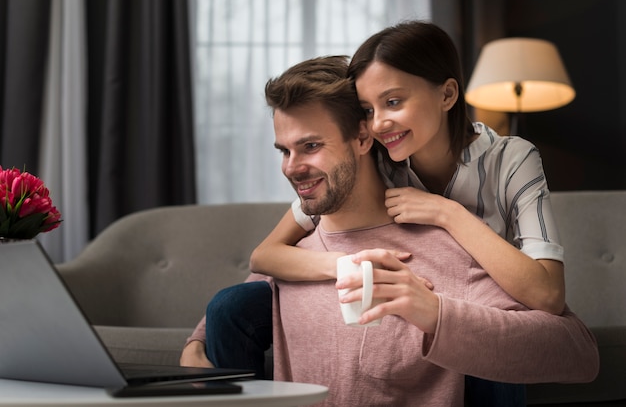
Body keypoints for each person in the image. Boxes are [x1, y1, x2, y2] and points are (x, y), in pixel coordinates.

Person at [181, 55, 598, 406]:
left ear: (363, 137)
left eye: (310, 146)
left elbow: (578, 354)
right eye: (284, 151)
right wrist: (195, 342)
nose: (291, 167)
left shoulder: (446, 254)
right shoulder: (296, 254)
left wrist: (435, 313)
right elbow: (238, 297)